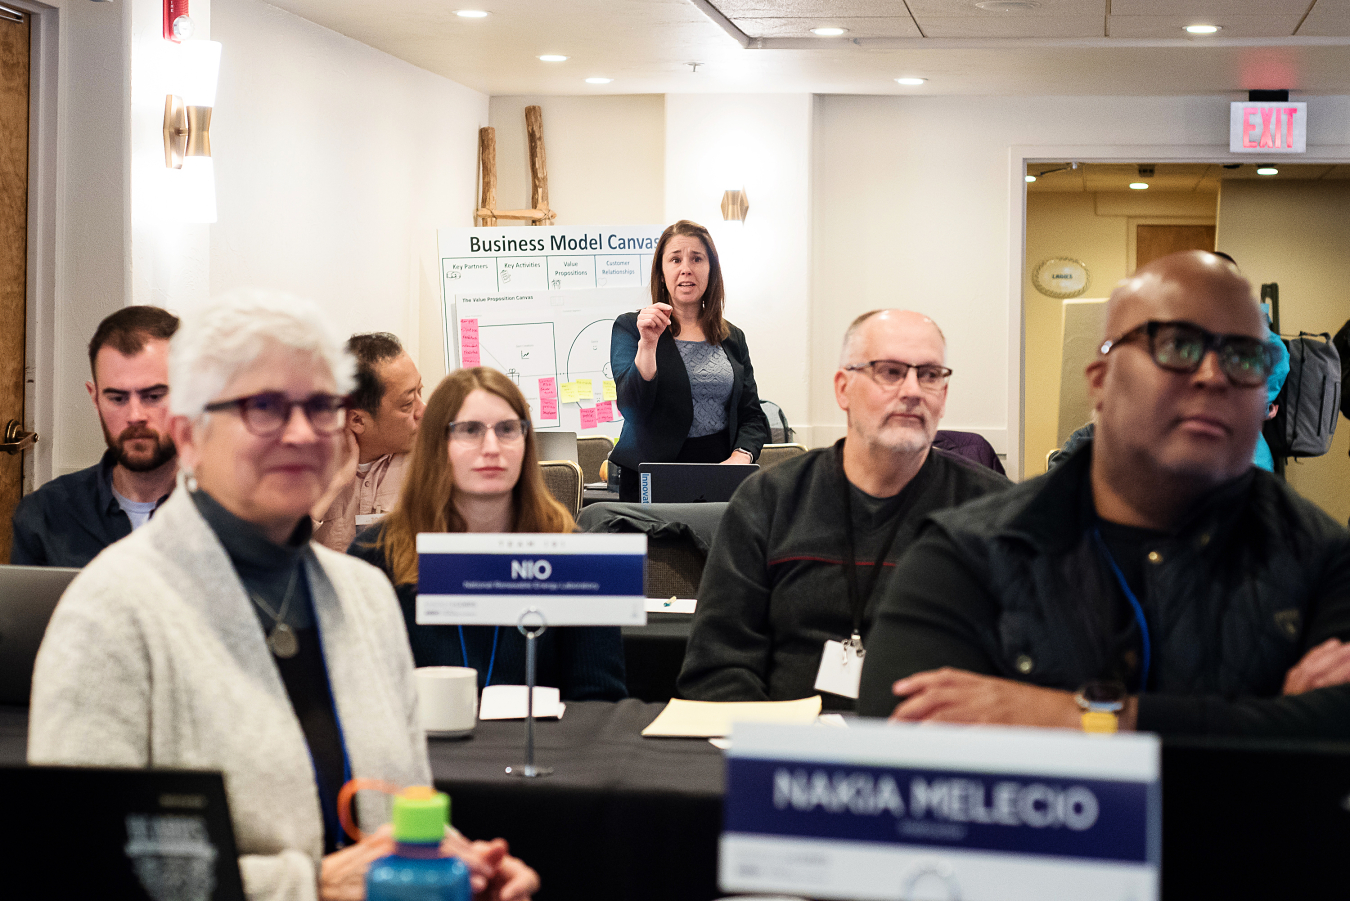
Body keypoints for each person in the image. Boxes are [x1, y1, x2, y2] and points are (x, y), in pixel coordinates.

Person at [28, 291, 538, 901]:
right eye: (264, 407)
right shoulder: (112, 611)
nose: (301, 433)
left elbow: (395, 822)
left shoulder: (364, 596)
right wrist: (309, 887)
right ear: (189, 437)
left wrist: (458, 867)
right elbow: (78, 864)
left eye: (322, 406)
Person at [858, 252, 1350, 738]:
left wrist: (1078, 719)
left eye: (1244, 357)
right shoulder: (970, 554)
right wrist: (1267, 727)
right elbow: (902, 764)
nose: (1212, 376)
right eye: (1178, 346)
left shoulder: (1320, 558)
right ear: (1101, 380)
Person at [677, 310, 1010, 710]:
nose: (912, 390)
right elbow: (717, 667)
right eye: (889, 372)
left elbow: (1028, 667)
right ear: (843, 388)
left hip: (933, 755)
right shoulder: (768, 501)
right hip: (792, 754)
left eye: (930, 375)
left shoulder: (995, 512)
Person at [350, 366, 627, 701]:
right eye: (470, 430)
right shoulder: (374, 557)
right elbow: (360, 701)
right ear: (438, 443)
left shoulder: (579, 560)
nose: (492, 447)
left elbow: (599, 705)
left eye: (508, 429)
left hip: (547, 749)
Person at [609, 220, 771, 502]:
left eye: (697, 258)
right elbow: (632, 405)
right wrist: (647, 344)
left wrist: (741, 456)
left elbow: (752, 415)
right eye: (675, 259)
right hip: (652, 477)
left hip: (720, 474)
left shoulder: (733, 337)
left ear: (711, 270)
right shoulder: (631, 327)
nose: (686, 268)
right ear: (661, 271)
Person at [11, 306, 181, 567]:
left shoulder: (235, 511)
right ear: (95, 398)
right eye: (117, 398)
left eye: (154, 396)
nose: (135, 415)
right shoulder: (45, 514)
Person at [313, 332, 425, 553]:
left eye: (421, 392)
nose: (424, 411)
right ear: (357, 420)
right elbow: (270, 555)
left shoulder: (431, 461)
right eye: (408, 403)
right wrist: (333, 485)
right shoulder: (307, 460)